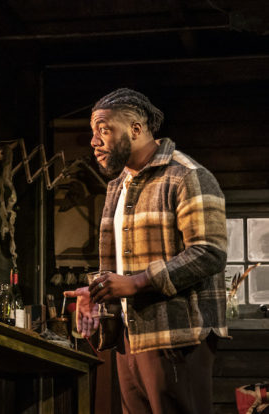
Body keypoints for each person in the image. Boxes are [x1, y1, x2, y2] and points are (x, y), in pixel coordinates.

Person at [64, 88, 228, 414]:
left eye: (104, 129)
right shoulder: (117, 187)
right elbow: (121, 262)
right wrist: (98, 291)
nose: (94, 141)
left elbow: (210, 251)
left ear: (136, 129)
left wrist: (137, 282)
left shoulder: (187, 176)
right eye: (93, 132)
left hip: (177, 338)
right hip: (130, 338)